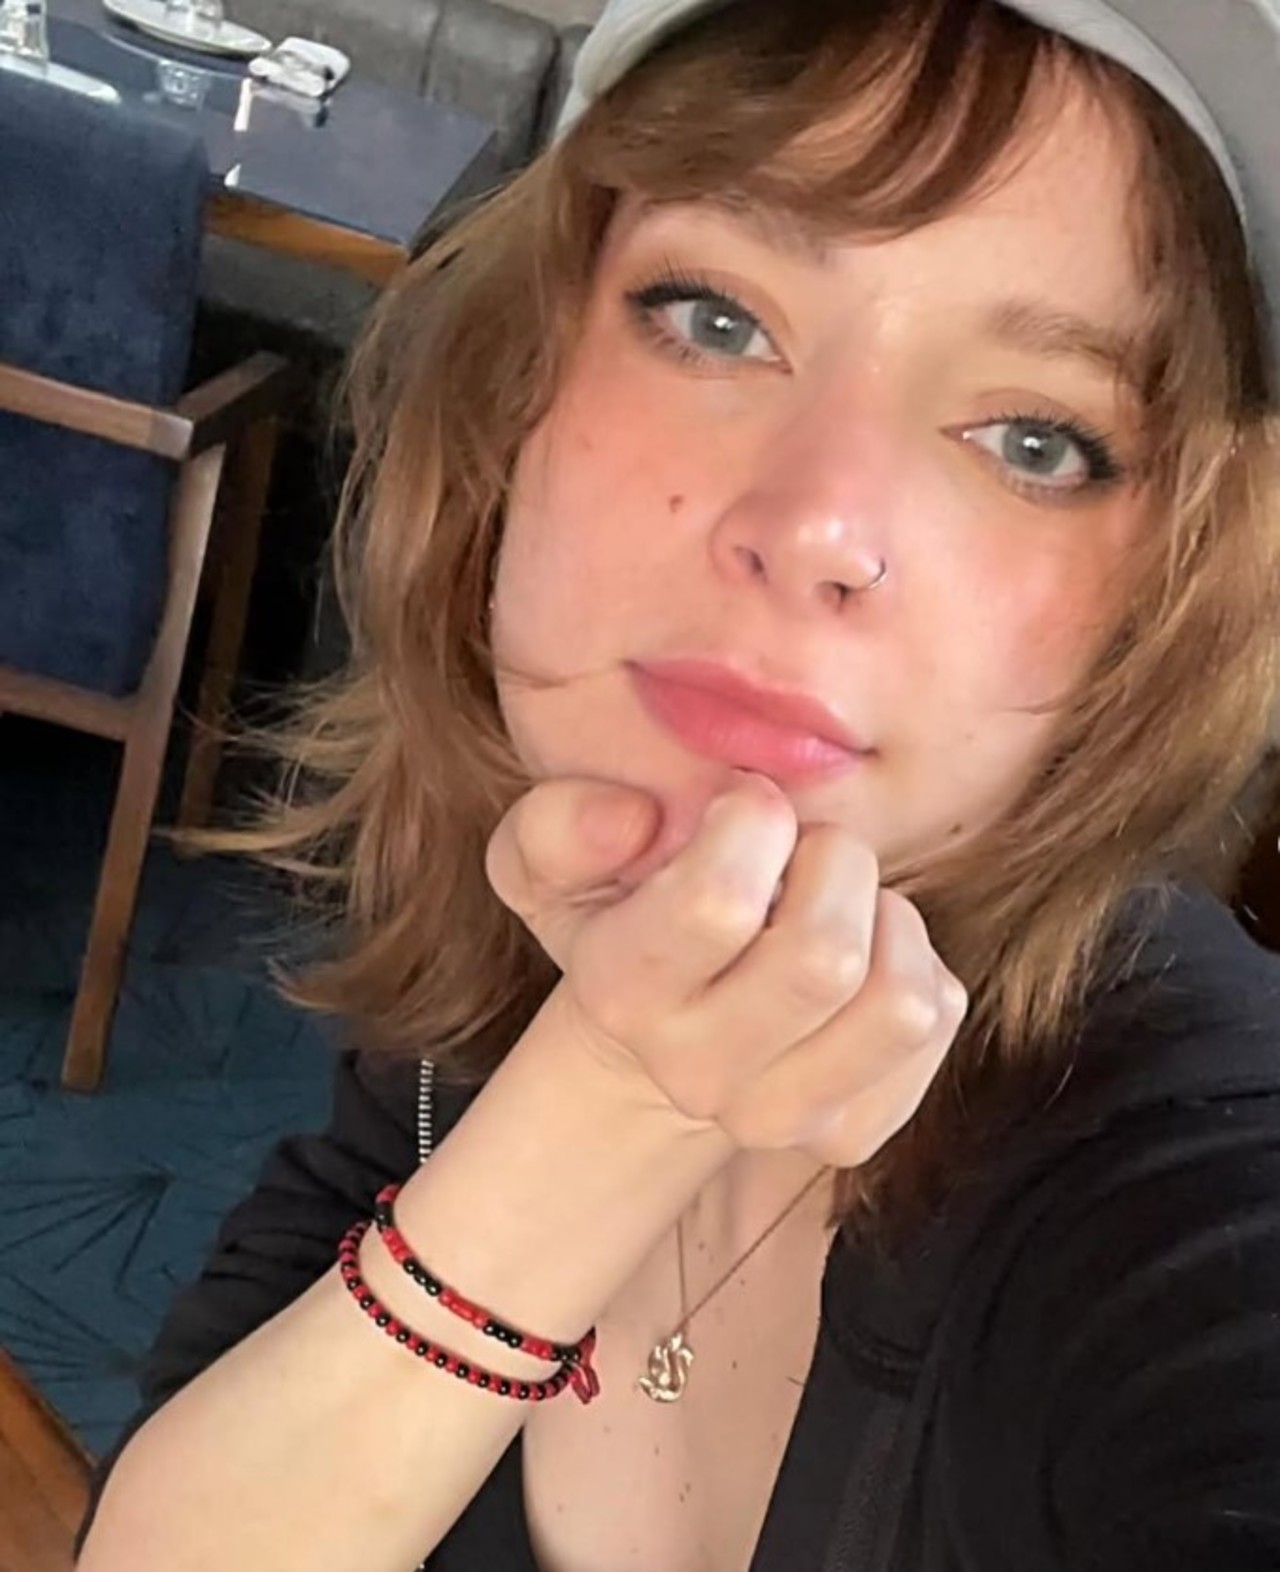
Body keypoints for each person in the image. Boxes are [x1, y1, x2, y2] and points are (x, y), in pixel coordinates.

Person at [76, 0, 1280, 1568]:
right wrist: (605, 1096)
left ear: (1163, 605)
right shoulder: (523, 925)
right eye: (715, 318)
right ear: (523, 387)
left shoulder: (1205, 1198)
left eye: (1036, 441)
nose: (815, 523)